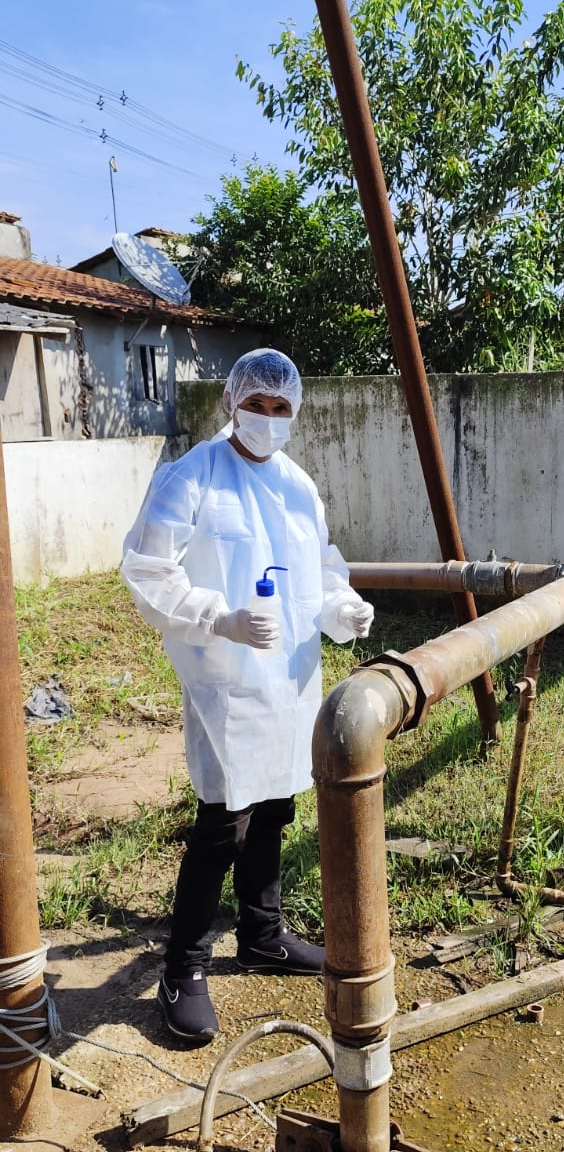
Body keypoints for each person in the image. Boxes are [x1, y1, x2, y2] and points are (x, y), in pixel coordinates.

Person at [121, 348, 374, 1045]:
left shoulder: (299, 486)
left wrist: (341, 608)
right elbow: (146, 567)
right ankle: (184, 967)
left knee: (276, 810)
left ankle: (263, 936)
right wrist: (218, 616)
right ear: (232, 403)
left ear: (294, 413)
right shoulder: (195, 474)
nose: (266, 417)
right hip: (226, 683)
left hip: (290, 681)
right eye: (255, 404)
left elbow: (320, 569)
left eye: (279, 407)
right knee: (221, 825)